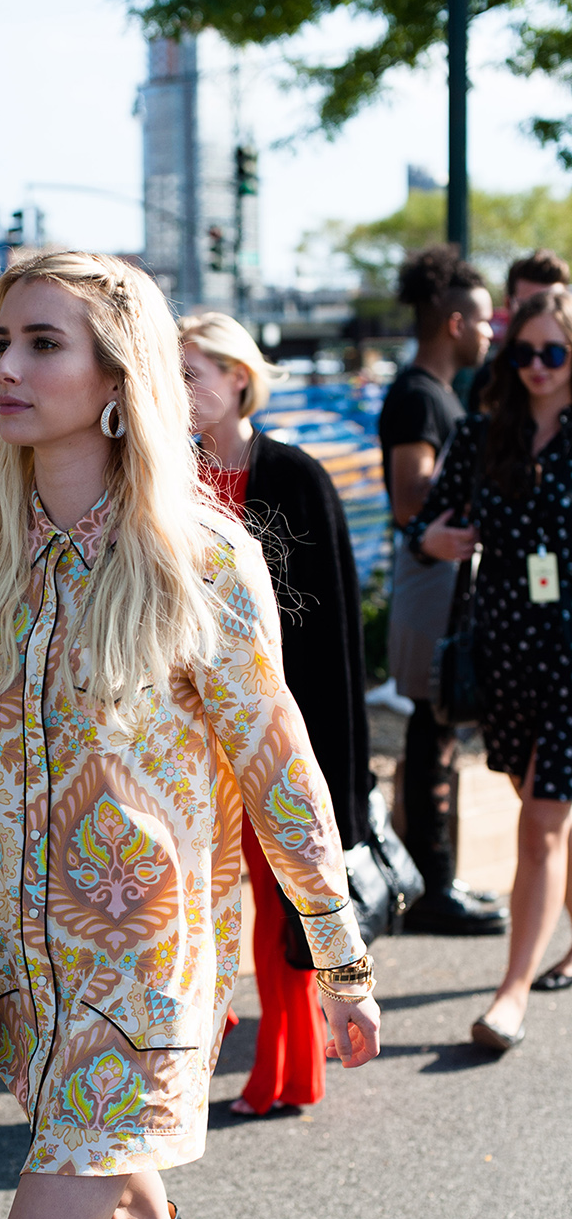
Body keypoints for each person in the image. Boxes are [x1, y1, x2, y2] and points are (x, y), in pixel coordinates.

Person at [0, 251, 380, 1219]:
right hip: (16, 979)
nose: (5, 367)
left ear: (117, 374)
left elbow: (278, 765)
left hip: (145, 982)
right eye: (1, 340)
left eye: (41, 343)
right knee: (131, 1208)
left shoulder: (200, 559)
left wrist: (335, 952)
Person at [179, 311, 371, 1119]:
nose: (180, 388)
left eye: (193, 371)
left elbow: (333, 637)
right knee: (196, 899)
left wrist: (340, 763)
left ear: (239, 378)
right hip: (191, 733)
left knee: (284, 897)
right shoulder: (163, 475)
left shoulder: (295, 474)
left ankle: (288, 1069)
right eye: (171, 373)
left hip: (275, 720)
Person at [410, 287, 572, 1049]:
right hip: (505, 648)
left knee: (541, 821)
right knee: (544, 805)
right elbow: (426, 526)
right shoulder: (480, 435)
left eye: (556, 352)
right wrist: (432, 541)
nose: (538, 366)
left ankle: (510, 995)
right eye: (526, 351)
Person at [379, 247, 507, 936]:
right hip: (431, 581)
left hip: (445, 578)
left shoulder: (437, 391)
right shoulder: (418, 395)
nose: (492, 332)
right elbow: (409, 499)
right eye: (485, 320)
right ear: (454, 322)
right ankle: (431, 886)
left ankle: (440, 878)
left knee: (441, 729)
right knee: (432, 729)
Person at [468, 249, 570, 413]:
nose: (541, 316)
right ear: (508, 305)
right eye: (530, 306)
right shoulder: (489, 380)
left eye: (555, 304)